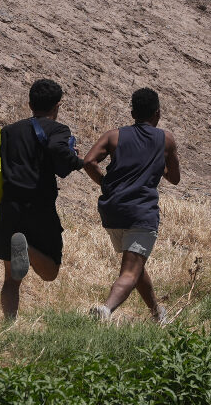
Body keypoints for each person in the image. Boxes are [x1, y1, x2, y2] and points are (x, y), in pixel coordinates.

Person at [0, 79, 82, 320]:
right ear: (58, 105)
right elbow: (59, 152)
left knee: (11, 279)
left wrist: (3, 171)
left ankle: (9, 324)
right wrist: (77, 161)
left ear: (29, 104)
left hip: (10, 208)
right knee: (50, 273)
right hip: (39, 209)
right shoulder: (58, 130)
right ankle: (26, 249)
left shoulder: (8, 131)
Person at [83, 87, 180, 322]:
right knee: (130, 270)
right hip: (141, 212)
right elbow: (175, 178)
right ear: (157, 113)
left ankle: (157, 314)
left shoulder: (113, 136)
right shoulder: (165, 139)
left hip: (112, 211)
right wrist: (158, 164)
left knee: (136, 263)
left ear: (133, 112)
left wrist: (106, 184)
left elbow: (88, 161)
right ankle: (105, 310)